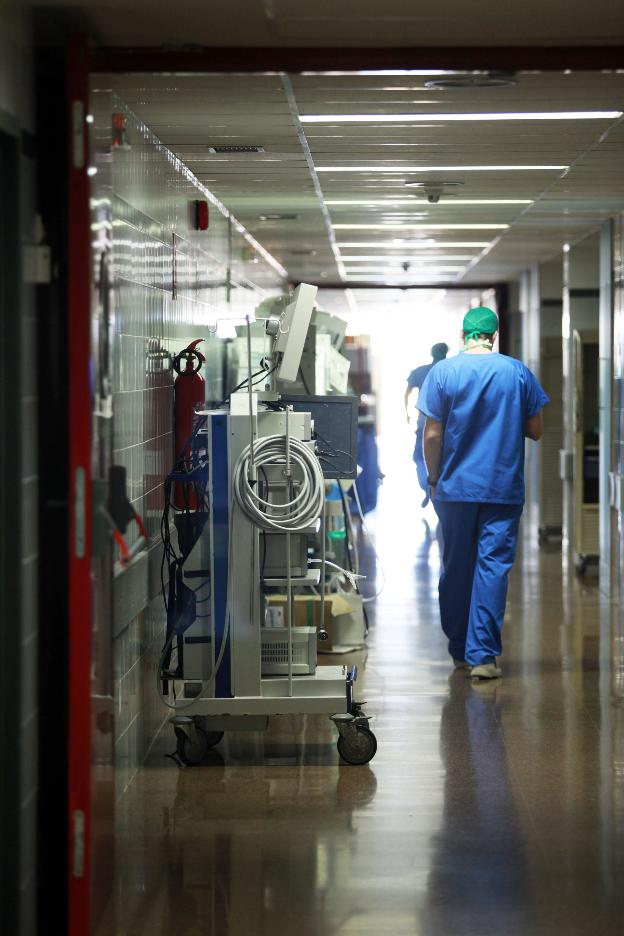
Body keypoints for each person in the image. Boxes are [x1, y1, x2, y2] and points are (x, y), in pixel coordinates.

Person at [418, 307, 548, 680]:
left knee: (457, 566)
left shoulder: (443, 372)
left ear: (463, 334)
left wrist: (433, 476)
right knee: (493, 568)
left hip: (454, 488)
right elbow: (536, 429)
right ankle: (484, 657)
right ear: (494, 335)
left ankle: (459, 649)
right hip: (502, 488)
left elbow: (431, 434)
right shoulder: (516, 372)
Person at [405, 342, 449, 507]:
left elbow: (407, 392)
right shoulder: (453, 370)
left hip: (425, 420)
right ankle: (439, 490)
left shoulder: (421, 371)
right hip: (449, 423)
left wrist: (407, 413)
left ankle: (428, 488)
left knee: (420, 456)